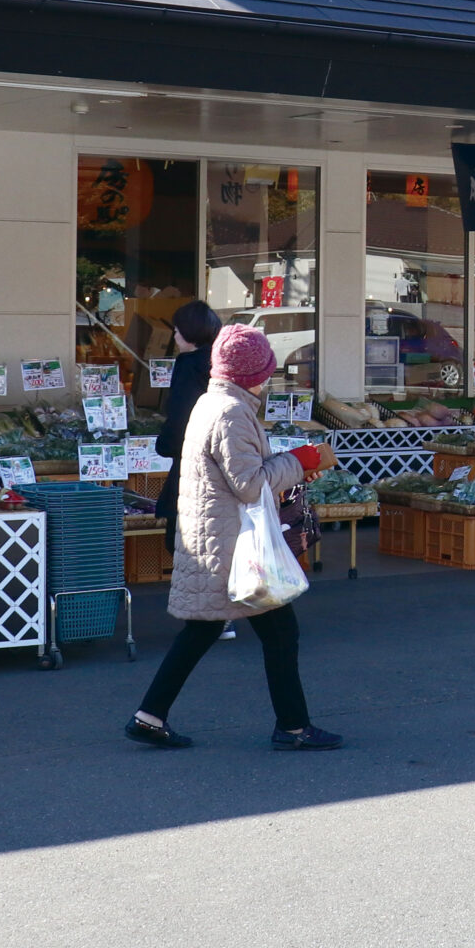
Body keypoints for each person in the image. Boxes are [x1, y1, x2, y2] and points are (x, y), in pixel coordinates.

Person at [125, 324, 343, 750]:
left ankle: (148, 717)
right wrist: (299, 461)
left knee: (202, 631)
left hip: (214, 539)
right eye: (265, 370)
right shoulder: (232, 412)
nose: (268, 377)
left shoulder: (214, 403)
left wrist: (285, 464)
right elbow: (248, 483)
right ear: (252, 374)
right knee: (280, 634)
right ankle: (293, 728)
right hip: (235, 547)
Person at [152, 300, 220, 536]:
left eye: (178, 328)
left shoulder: (189, 366)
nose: (175, 333)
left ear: (190, 331)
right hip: (217, 466)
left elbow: (181, 414)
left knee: (183, 541)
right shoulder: (217, 363)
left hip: (190, 465)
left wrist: (164, 444)